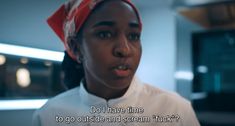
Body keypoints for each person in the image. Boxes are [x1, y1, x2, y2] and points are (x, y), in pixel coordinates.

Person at [33, 0, 200, 125]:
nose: (124, 49)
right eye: (105, 34)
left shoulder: (175, 110)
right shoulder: (49, 116)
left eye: (133, 36)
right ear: (76, 48)